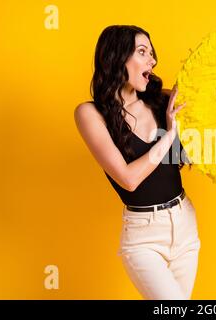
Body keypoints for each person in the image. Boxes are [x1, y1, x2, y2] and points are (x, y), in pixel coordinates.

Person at [74, 25, 201, 300]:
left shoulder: (162, 101)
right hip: (144, 237)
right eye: (142, 52)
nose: (152, 61)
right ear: (116, 58)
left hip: (185, 223)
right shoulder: (90, 114)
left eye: (152, 54)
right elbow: (128, 179)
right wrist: (169, 135)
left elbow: (214, 105)